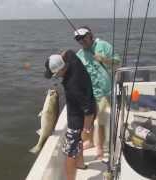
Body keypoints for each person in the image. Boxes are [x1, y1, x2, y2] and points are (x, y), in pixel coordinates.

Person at [44, 50, 96, 180]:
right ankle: (81, 164)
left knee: (70, 153)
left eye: (55, 74)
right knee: (78, 142)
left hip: (79, 119)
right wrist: (59, 58)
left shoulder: (72, 85)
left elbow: (88, 110)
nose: (55, 77)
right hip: (90, 103)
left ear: (60, 70)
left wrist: (86, 129)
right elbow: (67, 51)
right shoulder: (72, 59)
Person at [74, 26, 121, 160]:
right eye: (78, 38)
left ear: (90, 35)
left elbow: (117, 63)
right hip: (89, 94)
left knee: (101, 119)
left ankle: (99, 147)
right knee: (88, 119)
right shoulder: (79, 55)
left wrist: (104, 59)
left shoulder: (104, 45)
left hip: (105, 92)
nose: (81, 40)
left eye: (83, 37)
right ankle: (89, 141)